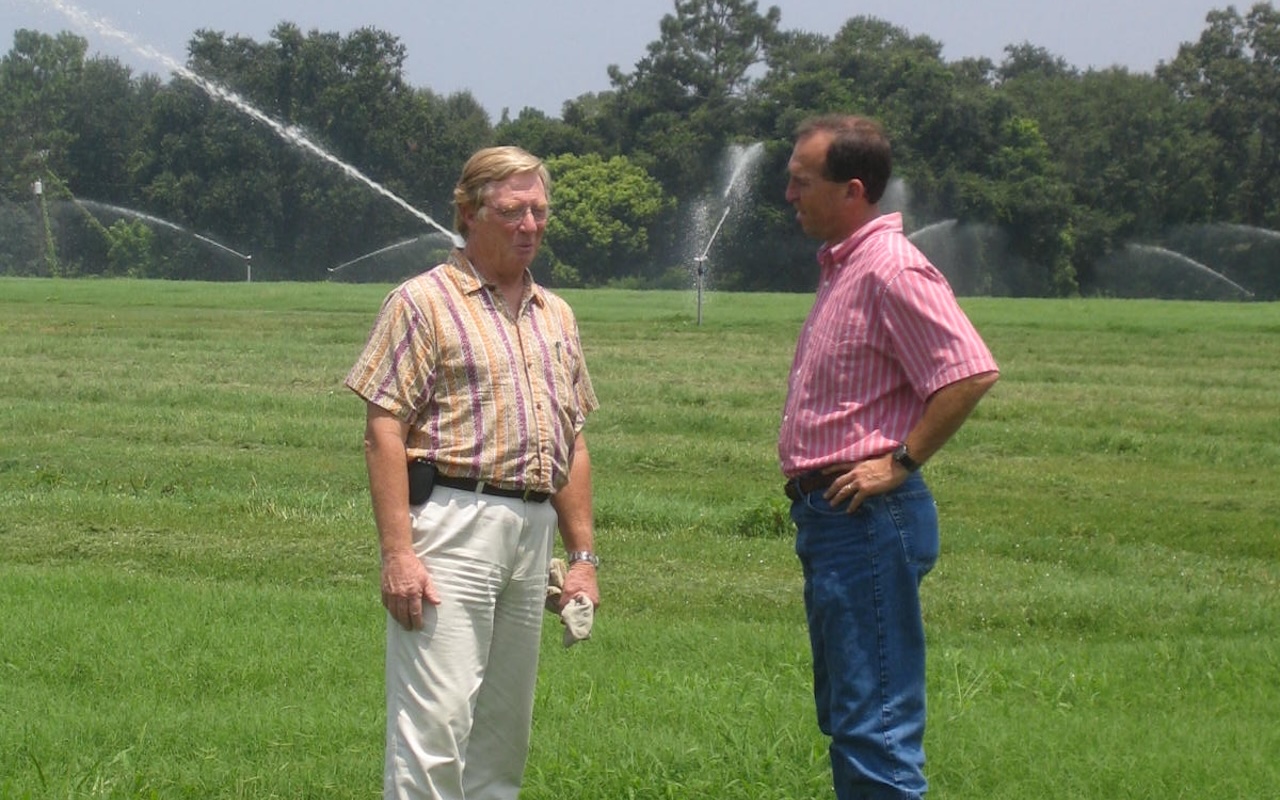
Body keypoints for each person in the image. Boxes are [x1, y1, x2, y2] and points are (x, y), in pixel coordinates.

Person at [345, 145, 600, 800]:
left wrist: (584, 557)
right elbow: (383, 430)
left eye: (540, 211)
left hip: (531, 530)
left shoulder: (558, 315)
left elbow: (572, 440)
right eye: (513, 210)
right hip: (453, 524)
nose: (530, 225)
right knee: (436, 724)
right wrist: (398, 553)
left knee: (502, 736)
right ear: (468, 213)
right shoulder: (422, 303)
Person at [779, 115, 1000, 799]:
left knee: (875, 721)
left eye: (800, 181)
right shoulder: (846, 267)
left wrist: (898, 462)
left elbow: (968, 370)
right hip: (836, 518)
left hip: (867, 518)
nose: (788, 194)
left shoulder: (890, 268)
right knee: (853, 714)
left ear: (852, 189)